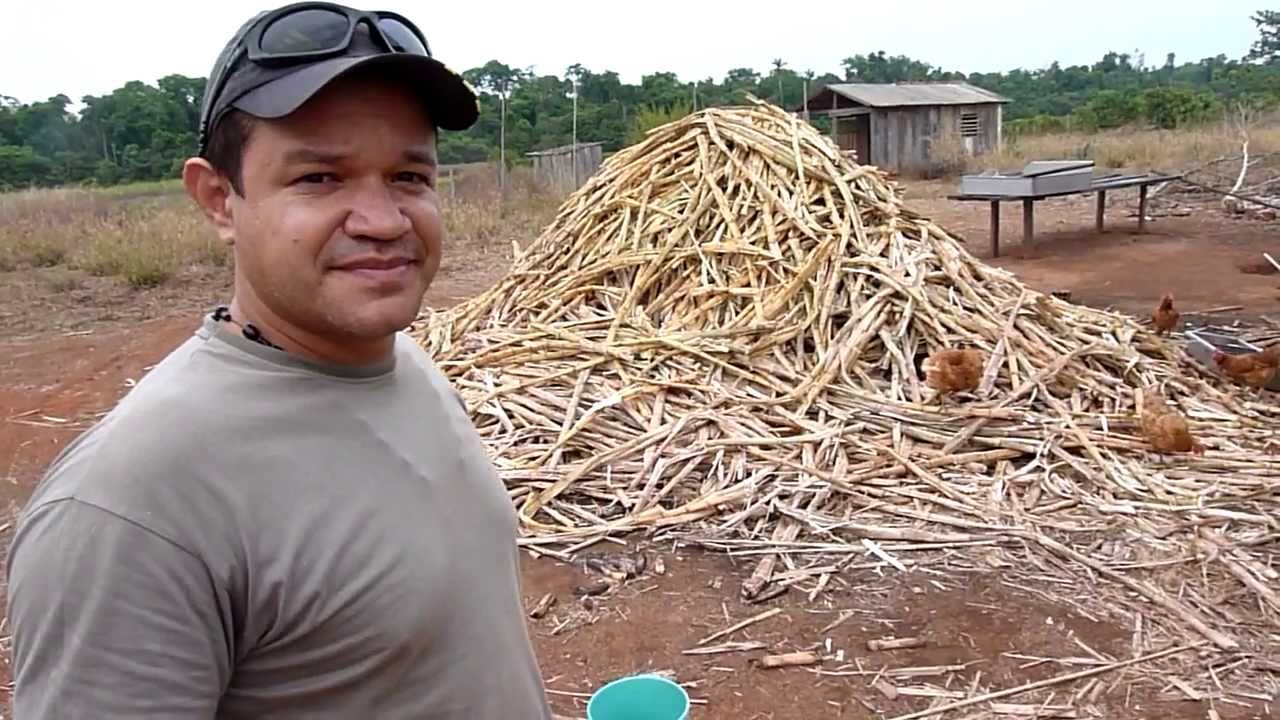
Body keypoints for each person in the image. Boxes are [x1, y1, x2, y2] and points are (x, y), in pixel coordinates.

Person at [5, 3, 553, 718]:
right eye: (320, 179)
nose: (383, 220)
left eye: (409, 177)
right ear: (218, 201)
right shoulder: (132, 507)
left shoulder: (404, 364)